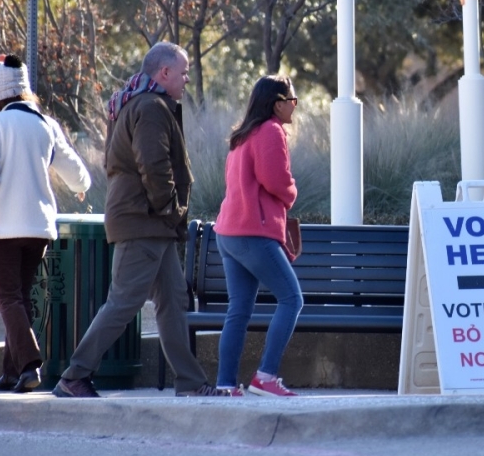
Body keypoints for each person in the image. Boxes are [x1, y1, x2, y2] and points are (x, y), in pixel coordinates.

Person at [53, 42, 229, 398]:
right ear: (163, 73)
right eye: (182, 72)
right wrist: (173, 210)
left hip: (148, 223)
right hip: (144, 221)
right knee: (124, 301)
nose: (186, 80)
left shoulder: (134, 103)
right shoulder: (150, 107)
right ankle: (75, 375)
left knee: (174, 301)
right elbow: (154, 166)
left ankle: (191, 382)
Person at [0, 54, 92, 393]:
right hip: (38, 227)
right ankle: (12, 372)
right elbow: (76, 172)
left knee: (8, 297)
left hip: (3, 226)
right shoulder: (45, 123)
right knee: (20, 296)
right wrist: (81, 189)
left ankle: (30, 365)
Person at [214, 75, 303, 397]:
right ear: (277, 103)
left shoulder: (242, 135)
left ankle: (226, 384)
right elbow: (276, 180)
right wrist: (292, 193)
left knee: (238, 310)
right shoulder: (271, 131)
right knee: (292, 299)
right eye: (292, 101)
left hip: (229, 232)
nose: (294, 107)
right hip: (254, 231)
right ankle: (265, 376)